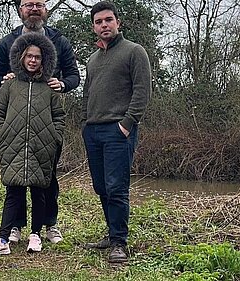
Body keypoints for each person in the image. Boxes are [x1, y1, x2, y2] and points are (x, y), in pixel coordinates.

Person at [0, 0, 80, 244]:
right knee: (16, 177)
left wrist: (62, 85)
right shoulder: (7, 42)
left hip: (46, 122)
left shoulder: (59, 41)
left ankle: (49, 224)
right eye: (28, 4)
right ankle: (16, 226)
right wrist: (3, 81)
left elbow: (74, 76)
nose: (34, 9)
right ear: (20, 10)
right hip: (15, 125)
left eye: (39, 4)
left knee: (47, 177)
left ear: (46, 9)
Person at [0, 32, 65, 258]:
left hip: (42, 146)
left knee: (40, 192)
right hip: (14, 145)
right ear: (21, 57)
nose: (32, 60)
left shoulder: (49, 87)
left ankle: (36, 234)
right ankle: (2, 239)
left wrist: (55, 137)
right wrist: (1, 133)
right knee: (13, 192)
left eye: (37, 57)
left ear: (43, 60)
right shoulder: (9, 85)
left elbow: (59, 116)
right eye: (29, 56)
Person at [81, 1, 151, 263]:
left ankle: (120, 243)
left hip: (118, 131)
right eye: (99, 22)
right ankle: (111, 235)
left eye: (108, 20)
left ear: (117, 23)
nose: (104, 25)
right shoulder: (92, 58)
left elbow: (142, 91)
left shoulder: (134, 51)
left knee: (117, 188)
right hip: (94, 131)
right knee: (101, 187)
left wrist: (127, 123)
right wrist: (84, 123)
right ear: (94, 27)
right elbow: (87, 93)